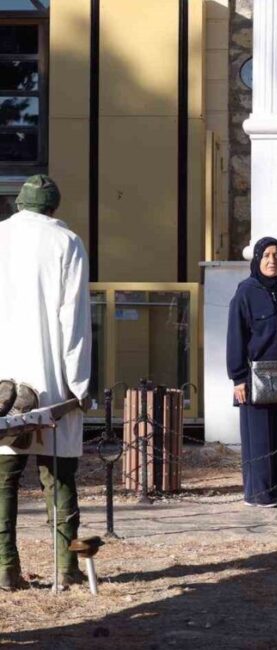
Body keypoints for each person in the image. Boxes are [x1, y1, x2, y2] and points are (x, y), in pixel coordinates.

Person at [0, 175, 90, 590]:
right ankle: (67, 571)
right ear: (53, 206)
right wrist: (80, 384)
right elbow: (73, 322)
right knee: (59, 479)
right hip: (52, 380)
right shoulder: (66, 243)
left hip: (2, 381)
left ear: (21, 203)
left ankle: (4, 570)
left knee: (3, 480)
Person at [227, 237, 277, 507]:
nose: (272, 260)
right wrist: (238, 378)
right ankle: (259, 494)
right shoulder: (245, 293)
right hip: (255, 377)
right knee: (259, 439)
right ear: (257, 259)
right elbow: (236, 336)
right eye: (267, 255)